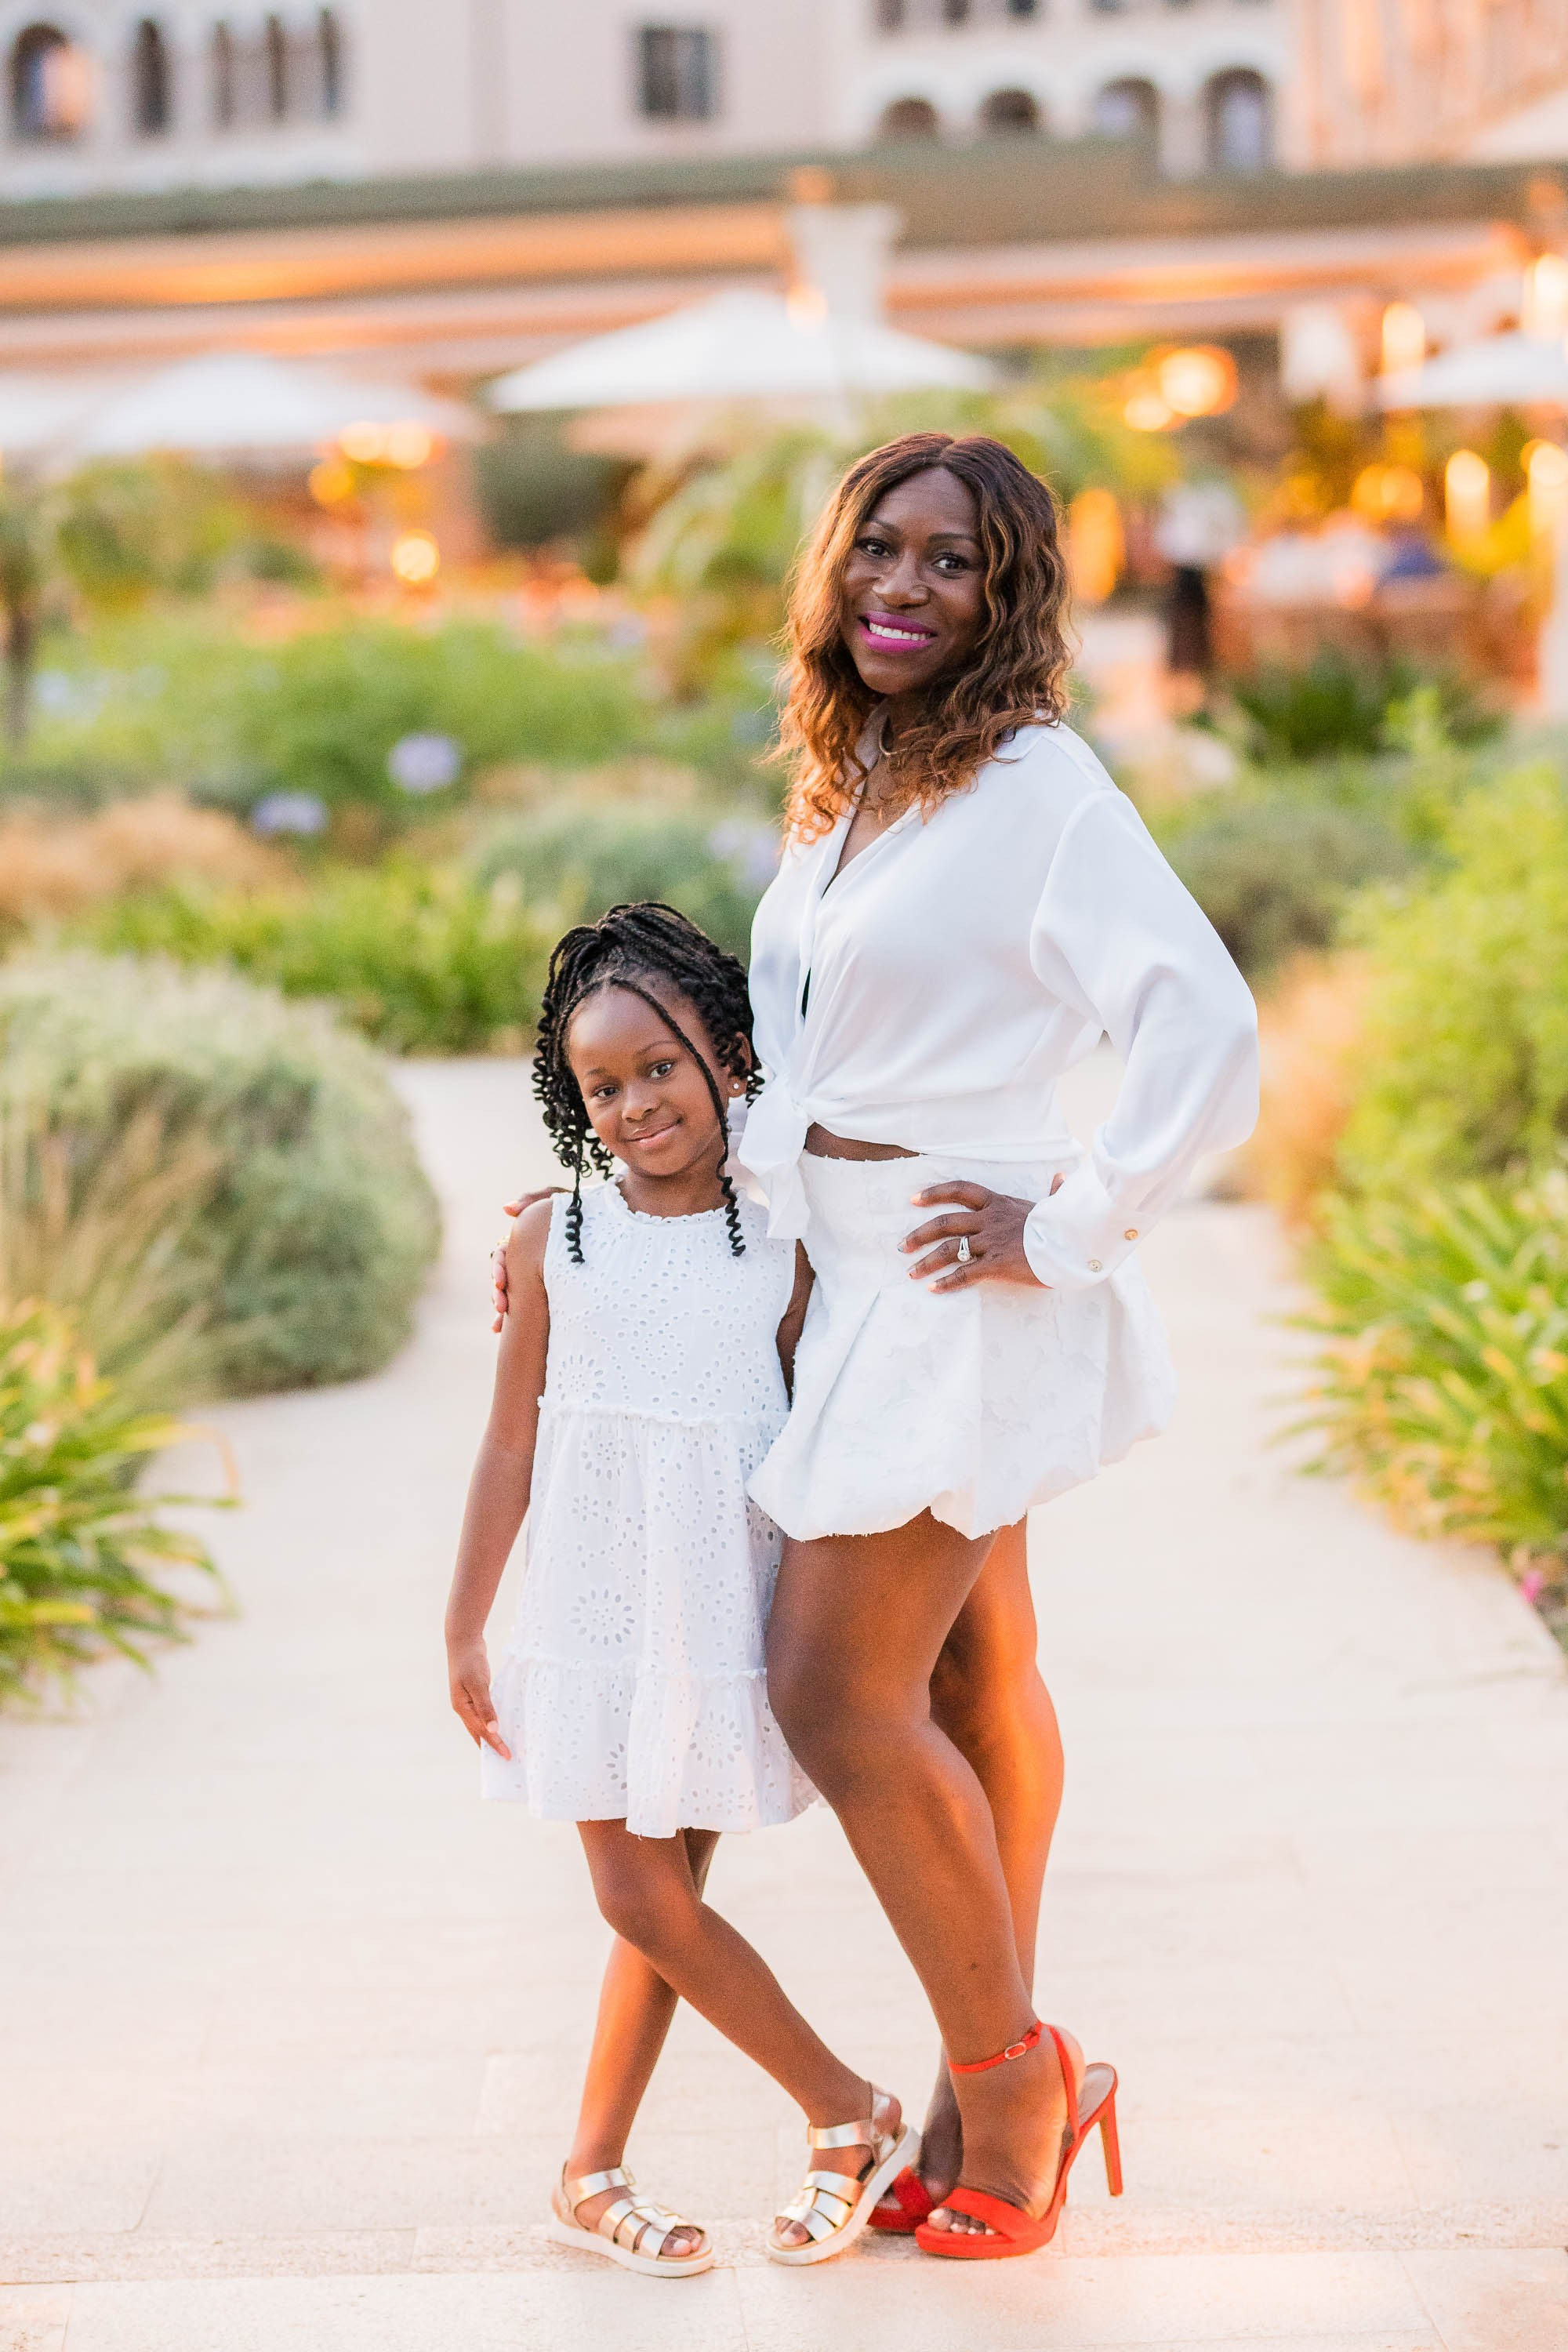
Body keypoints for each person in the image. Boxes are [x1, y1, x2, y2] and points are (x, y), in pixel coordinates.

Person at [735, 430, 1259, 2259]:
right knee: (970, 1682)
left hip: (954, 1283)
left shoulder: (1039, 786)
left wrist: (1074, 1221)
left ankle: (1009, 2073)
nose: (904, 585)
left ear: (1006, 593)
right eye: (880, 546)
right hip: (842, 1269)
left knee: (830, 1691)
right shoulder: (854, 775)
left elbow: (1204, 1024)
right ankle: (990, 2081)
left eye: (951, 561)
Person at [448, 903, 916, 2276]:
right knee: (640, 1899)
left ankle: (588, 2174)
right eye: (603, 1086)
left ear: (728, 1058)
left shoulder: (783, 1240)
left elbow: (820, 1416)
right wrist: (465, 1621)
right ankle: (846, 2109)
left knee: (670, 1903)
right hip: (592, 1617)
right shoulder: (555, 1241)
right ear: (572, 1102)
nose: (637, 1103)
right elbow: (509, 1442)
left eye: (662, 1067)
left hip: (716, 1614)